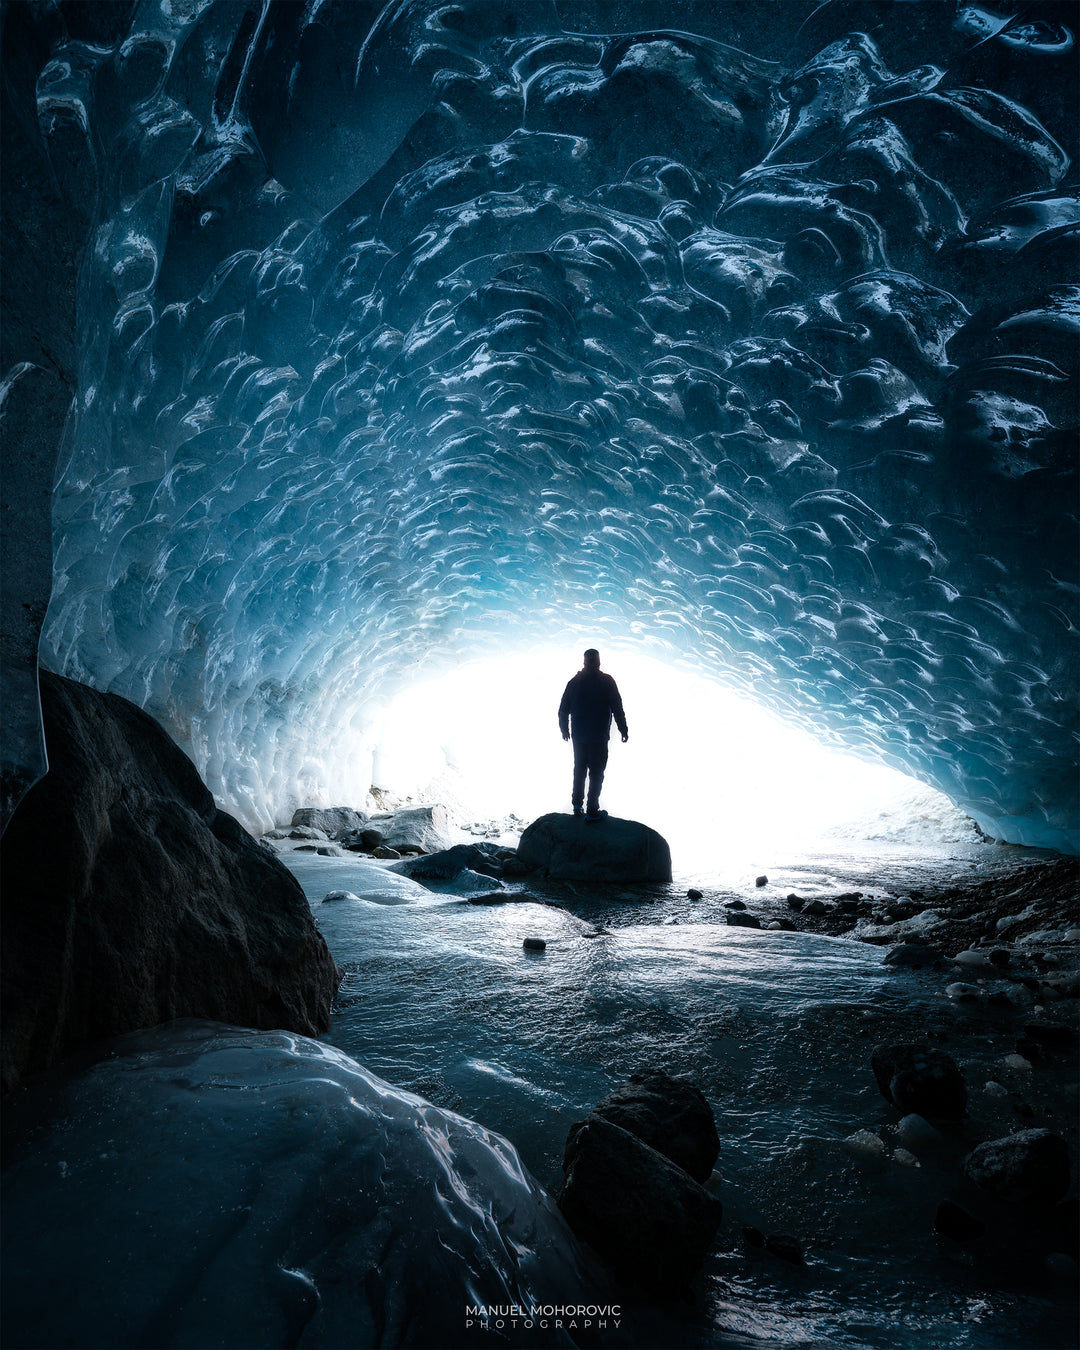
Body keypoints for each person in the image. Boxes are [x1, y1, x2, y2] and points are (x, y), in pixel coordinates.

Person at [558, 648, 628, 821]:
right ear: (598, 662)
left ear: (584, 662)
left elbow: (562, 710)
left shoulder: (574, 682)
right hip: (598, 736)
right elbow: (617, 707)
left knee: (580, 769)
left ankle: (576, 805)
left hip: (579, 736)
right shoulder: (607, 681)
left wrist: (564, 729)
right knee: (596, 772)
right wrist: (623, 729)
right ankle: (592, 810)